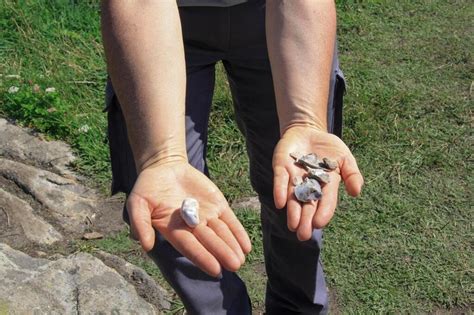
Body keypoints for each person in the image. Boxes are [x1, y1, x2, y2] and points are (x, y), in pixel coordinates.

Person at [101, 0, 363, 314]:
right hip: (152, 25)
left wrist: (304, 121)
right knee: (169, 212)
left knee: (295, 195)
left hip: (280, 14)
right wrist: (161, 157)